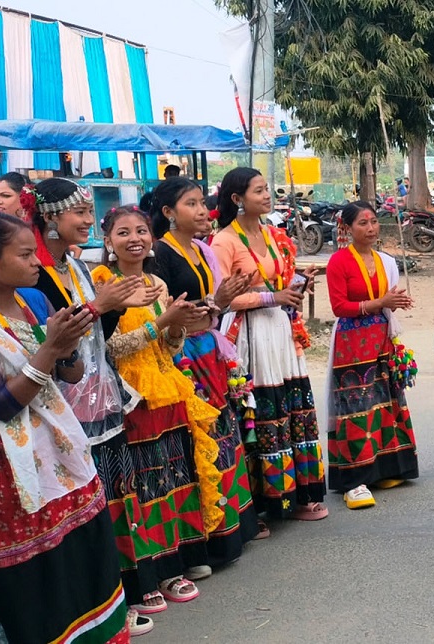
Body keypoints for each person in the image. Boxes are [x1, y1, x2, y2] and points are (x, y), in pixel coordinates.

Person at [0, 212, 130, 643]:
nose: (37, 261)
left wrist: (67, 347)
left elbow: (69, 375)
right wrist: (50, 348)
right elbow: (0, 404)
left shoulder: (31, 303)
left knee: (73, 556)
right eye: (24, 254)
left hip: (55, 447)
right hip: (2, 462)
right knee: (32, 573)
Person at [28, 178, 161, 635]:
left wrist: (116, 305)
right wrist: (103, 304)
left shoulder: (75, 265)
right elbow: (52, 336)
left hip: (100, 399)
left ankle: (113, 599)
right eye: (79, 214)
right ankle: (91, 607)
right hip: (63, 407)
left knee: (109, 500)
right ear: (49, 218)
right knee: (78, 511)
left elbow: (99, 336)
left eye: (89, 213)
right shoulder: (39, 274)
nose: (87, 220)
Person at [92, 206, 224, 614]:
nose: (135, 238)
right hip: (130, 397)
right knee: (141, 489)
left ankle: (173, 565)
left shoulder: (157, 281)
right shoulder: (102, 284)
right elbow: (109, 349)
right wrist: (161, 321)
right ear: (108, 242)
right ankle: (145, 575)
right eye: (123, 232)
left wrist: (178, 325)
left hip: (169, 391)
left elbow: (170, 347)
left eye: (142, 231)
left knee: (171, 479)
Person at [151, 178, 262, 564]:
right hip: (183, 355)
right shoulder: (159, 255)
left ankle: (235, 527)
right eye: (191, 204)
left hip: (211, 350)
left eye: (202, 203)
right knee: (197, 439)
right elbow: (167, 312)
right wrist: (217, 300)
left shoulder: (201, 249)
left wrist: (222, 300)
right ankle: (206, 538)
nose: (202, 211)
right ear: (168, 213)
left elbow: (215, 305)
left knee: (223, 432)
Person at [209, 167, 328, 522]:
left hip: (279, 331)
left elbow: (278, 279)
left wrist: (298, 282)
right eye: (259, 190)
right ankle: (260, 507)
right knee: (258, 414)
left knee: (291, 409)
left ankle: (296, 496)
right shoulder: (223, 241)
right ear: (237, 199)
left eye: (266, 189)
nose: (267, 195)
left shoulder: (270, 233)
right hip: (249, 334)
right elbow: (223, 298)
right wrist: (272, 297)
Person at [325, 201, 419, 510]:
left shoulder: (385, 261)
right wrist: (379, 302)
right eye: (363, 223)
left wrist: (396, 303)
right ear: (347, 229)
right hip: (352, 343)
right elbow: (340, 308)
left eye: (374, 222)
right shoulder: (338, 262)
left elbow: (387, 300)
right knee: (357, 405)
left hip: (380, 338)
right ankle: (354, 480)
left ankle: (386, 468)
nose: (371, 228)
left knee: (384, 402)